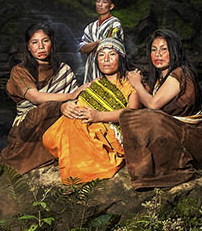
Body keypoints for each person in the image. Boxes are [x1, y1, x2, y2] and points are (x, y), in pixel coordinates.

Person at [117, 29, 202, 189]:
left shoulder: (179, 74)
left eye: (163, 49)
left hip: (189, 141)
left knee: (142, 117)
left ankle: (176, 169)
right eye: (154, 49)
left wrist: (137, 84)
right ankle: (146, 172)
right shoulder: (161, 79)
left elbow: (153, 105)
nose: (158, 54)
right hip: (177, 136)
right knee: (132, 116)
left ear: (174, 51)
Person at [42, 37, 133, 183]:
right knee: (50, 136)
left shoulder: (131, 83)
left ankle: (76, 175)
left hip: (112, 128)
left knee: (76, 127)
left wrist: (99, 116)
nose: (106, 59)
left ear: (121, 57)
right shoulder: (95, 83)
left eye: (112, 54)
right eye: (101, 55)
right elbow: (80, 103)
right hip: (89, 120)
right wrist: (65, 106)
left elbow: (131, 114)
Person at [0, 23, 81, 173]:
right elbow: (35, 98)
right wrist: (67, 98)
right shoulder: (20, 71)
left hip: (59, 122)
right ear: (28, 47)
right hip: (29, 126)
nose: (41, 47)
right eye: (35, 42)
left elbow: (76, 102)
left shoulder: (64, 70)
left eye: (45, 41)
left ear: (52, 43)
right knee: (50, 107)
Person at [76, 0, 123, 77]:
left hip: (108, 67)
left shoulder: (115, 23)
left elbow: (109, 46)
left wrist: (90, 47)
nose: (100, 5)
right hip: (91, 68)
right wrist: (97, 43)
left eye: (104, 2)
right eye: (98, 1)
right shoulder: (90, 27)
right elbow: (81, 49)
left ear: (111, 6)